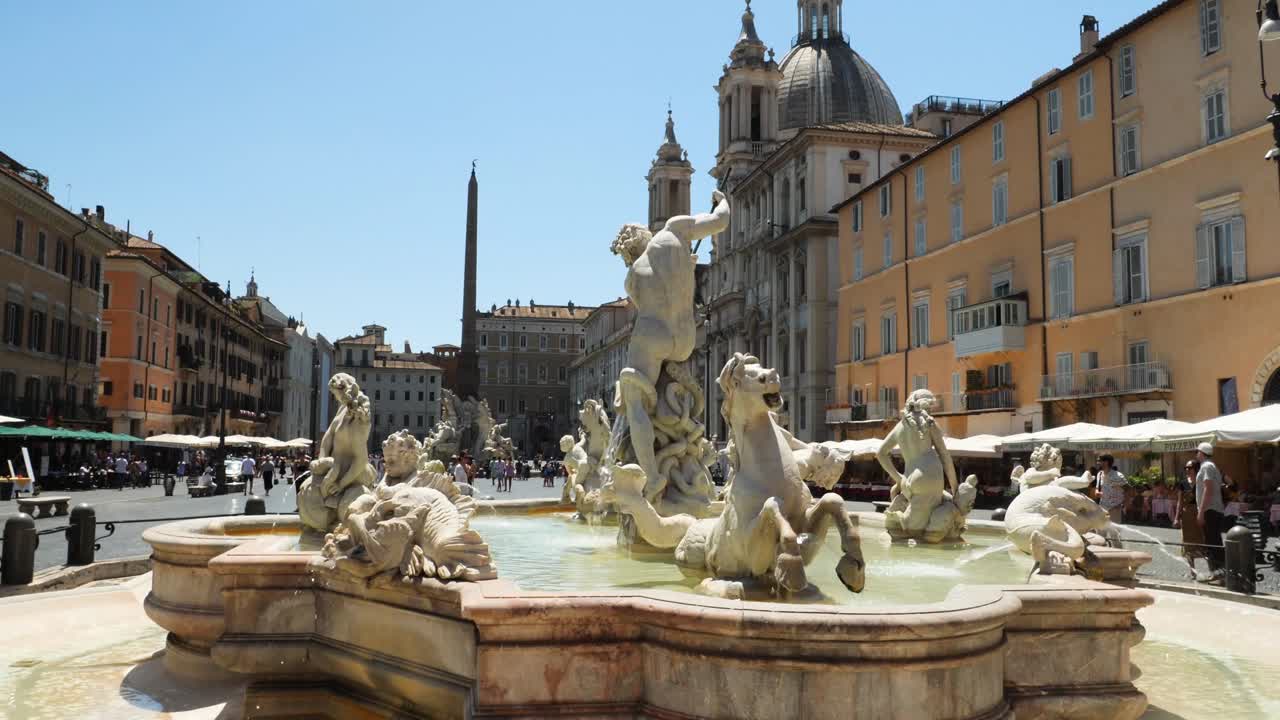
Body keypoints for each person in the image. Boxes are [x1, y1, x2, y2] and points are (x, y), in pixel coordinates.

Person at [1195, 442, 1226, 581]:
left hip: (1210, 509)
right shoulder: (1211, 465)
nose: (1196, 454)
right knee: (1214, 540)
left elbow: (1208, 489)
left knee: (1212, 541)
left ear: (1201, 453)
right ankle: (1219, 572)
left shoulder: (1207, 466)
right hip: (1214, 508)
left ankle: (1218, 572)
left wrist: (1201, 512)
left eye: (1197, 452)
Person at [1173, 459, 1206, 572]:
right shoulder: (1183, 483)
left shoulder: (1201, 481)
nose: (1187, 470)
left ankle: (1211, 568)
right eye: (1186, 468)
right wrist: (1177, 518)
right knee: (1187, 541)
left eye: (1189, 468)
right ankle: (1192, 570)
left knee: (1203, 539)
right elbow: (1180, 501)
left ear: (1196, 468)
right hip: (1187, 514)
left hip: (1199, 512)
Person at [1095, 454, 1127, 525]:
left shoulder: (1118, 475)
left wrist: (1123, 505)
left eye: (1099, 461)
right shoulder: (1099, 474)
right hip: (1102, 507)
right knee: (1101, 531)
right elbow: (1097, 487)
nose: (1098, 463)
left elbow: (1128, 490)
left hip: (1115, 508)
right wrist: (1097, 492)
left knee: (1114, 533)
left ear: (1106, 462)